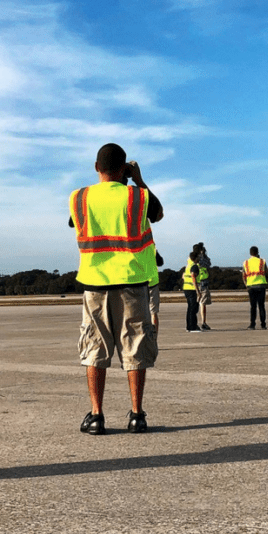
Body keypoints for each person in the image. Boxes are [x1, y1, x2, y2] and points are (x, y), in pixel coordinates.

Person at [69, 144, 162, 435]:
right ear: (125, 168)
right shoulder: (138, 196)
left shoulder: (80, 197)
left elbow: (73, 222)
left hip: (95, 284)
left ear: (97, 167)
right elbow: (157, 214)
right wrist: (137, 180)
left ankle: (96, 415)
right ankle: (137, 414)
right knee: (135, 347)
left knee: (95, 348)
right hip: (132, 283)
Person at [242, 246, 268, 329]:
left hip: (251, 286)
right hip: (261, 285)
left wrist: (246, 284)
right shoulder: (262, 261)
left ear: (250, 253)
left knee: (253, 306)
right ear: (257, 253)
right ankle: (263, 324)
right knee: (261, 306)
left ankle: (252, 324)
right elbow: (266, 271)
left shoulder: (246, 262)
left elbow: (243, 275)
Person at [182, 251, 202, 333]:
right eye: (199, 256)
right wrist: (198, 291)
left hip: (186, 288)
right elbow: (193, 278)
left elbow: (183, 276)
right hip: (191, 289)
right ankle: (192, 327)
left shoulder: (188, 266)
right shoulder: (194, 266)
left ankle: (190, 326)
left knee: (190, 308)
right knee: (193, 308)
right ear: (196, 257)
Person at [195, 243, 212, 330]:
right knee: (202, 304)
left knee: (195, 304)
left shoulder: (192, 258)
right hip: (202, 283)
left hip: (194, 284)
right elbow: (209, 263)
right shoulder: (203, 258)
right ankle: (203, 322)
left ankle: (194, 322)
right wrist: (203, 254)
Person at [149, 251, 165, 332]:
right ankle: (154, 337)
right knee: (153, 312)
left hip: (137, 283)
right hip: (151, 283)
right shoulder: (151, 248)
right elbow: (160, 262)